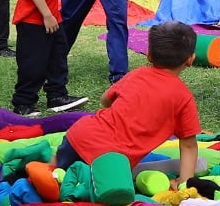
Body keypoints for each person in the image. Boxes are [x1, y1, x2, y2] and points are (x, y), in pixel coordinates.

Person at [53, 21, 200, 186]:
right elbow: (188, 146)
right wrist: (184, 181)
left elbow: (105, 100)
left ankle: (41, 170)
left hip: (80, 135)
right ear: (190, 59)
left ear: (149, 54)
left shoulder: (136, 74)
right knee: (101, 192)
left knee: (56, 173)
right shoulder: (183, 97)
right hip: (110, 160)